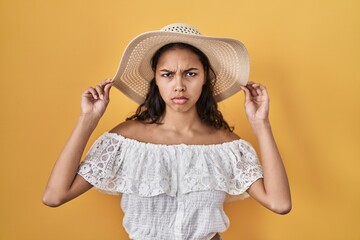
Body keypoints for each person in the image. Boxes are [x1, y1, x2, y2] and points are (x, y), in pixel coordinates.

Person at [42, 23, 291, 240]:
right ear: (156, 80)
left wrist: (261, 125)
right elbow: (55, 196)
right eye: (168, 74)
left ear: (205, 78)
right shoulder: (125, 140)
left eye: (190, 73)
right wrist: (87, 120)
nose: (179, 86)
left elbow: (280, 204)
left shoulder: (226, 146)